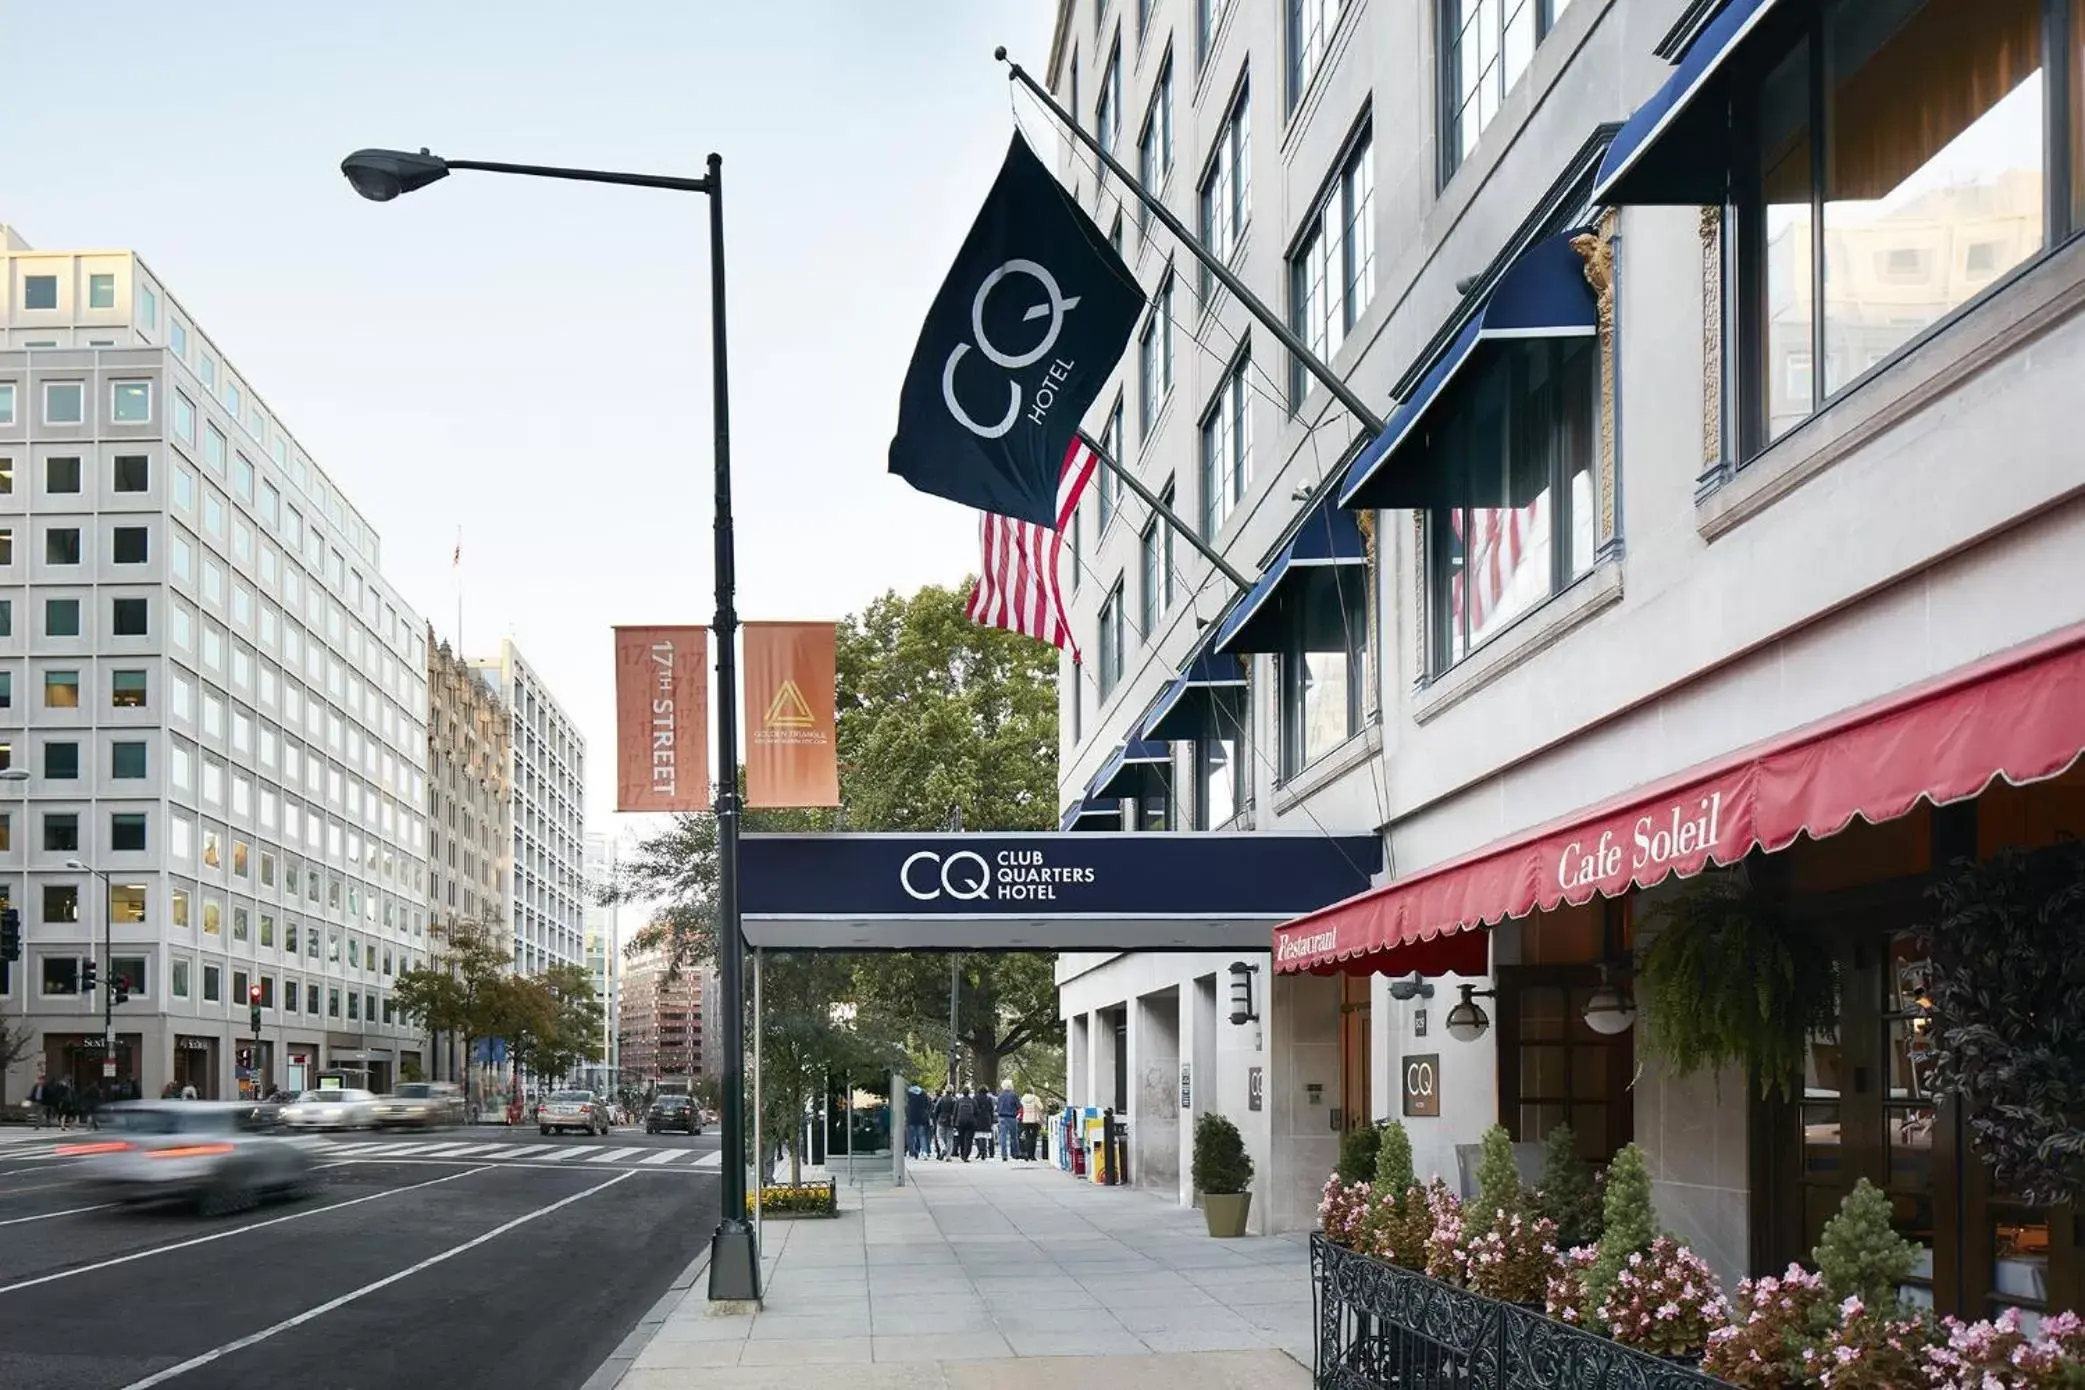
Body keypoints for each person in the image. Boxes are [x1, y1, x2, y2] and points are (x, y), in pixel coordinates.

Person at [995, 1081, 1020, 1163]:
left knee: (1003, 1136)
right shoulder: (1014, 1095)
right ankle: (1015, 1153)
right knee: (1014, 1136)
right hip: (1012, 1117)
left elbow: (997, 1106)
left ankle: (1004, 1155)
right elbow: (1019, 1106)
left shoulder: (1000, 1095)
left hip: (1002, 1117)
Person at [904, 1085, 931, 1160]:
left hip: (911, 1117)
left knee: (911, 1137)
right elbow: (928, 1104)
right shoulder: (923, 1093)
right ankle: (925, 1152)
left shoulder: (908, 1093)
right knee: (922, 1136)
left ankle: (912, 1152)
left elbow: (905, 1105)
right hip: (921, 1117)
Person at [953, 1087, 978, 1162]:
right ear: (969, 1093)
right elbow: (976, 1112)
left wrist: (954, 1123)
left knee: (961, 1138)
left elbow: (955, 1112)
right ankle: (966, 1155)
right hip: (970, 1122)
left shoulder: (959, 1101)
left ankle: (962, 1153)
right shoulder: (973, 1101)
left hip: (960, 1122)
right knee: (969, 1139)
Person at [1019, 1088, 1043, 1161]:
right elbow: (1041, 1107)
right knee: (1033, 1137)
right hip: (1034, 1120)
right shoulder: (1035, 1098)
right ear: (1032, 1092)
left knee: (1027, 1137)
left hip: (1025, 1119)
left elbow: (1020, 1108)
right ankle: (1032, 1156)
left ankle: (1027, 1154)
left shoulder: (1022, 1099)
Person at [933, 1088, 956, 1160]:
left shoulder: (941, 1099)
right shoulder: (954, 1100)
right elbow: (955, 1111)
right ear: (952, 1091)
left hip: (941, 1119)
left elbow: (936, 1110)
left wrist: (936, 1118)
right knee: (950, 1138)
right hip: (951, 1121)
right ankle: (948, 1156)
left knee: (939, 1136)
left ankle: (943, 1148)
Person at [974, 1085, 996, 1160]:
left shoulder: (975, 1098)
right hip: (987, 1118)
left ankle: (981, 1150)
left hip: (978, 1118)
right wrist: (992, 1120)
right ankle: (986, 1151)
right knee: (985, 1136)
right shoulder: (989, 1099)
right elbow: (992, 1110)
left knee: (977, 1136)